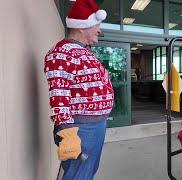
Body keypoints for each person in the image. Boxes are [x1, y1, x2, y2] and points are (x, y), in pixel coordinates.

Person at [43, 0, 114, 179]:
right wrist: (67, 132)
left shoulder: (84, 51)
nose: (99, 30)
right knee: (79, 175)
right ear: (83, 27)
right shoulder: (63, 51)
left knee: (87, 172)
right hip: (81, 128)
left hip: (94, 125)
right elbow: (59, 93)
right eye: (96, 25)